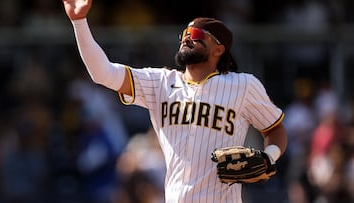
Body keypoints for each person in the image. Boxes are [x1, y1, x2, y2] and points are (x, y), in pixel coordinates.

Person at [62, 0, 288, 202]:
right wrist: (79, 22)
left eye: (197, 35)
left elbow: (274, 129)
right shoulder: (161, 83)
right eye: (185, 33)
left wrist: (269, 158)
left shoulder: (244, 85)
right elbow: (103, 73)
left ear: (219, 49)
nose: (187, 37)